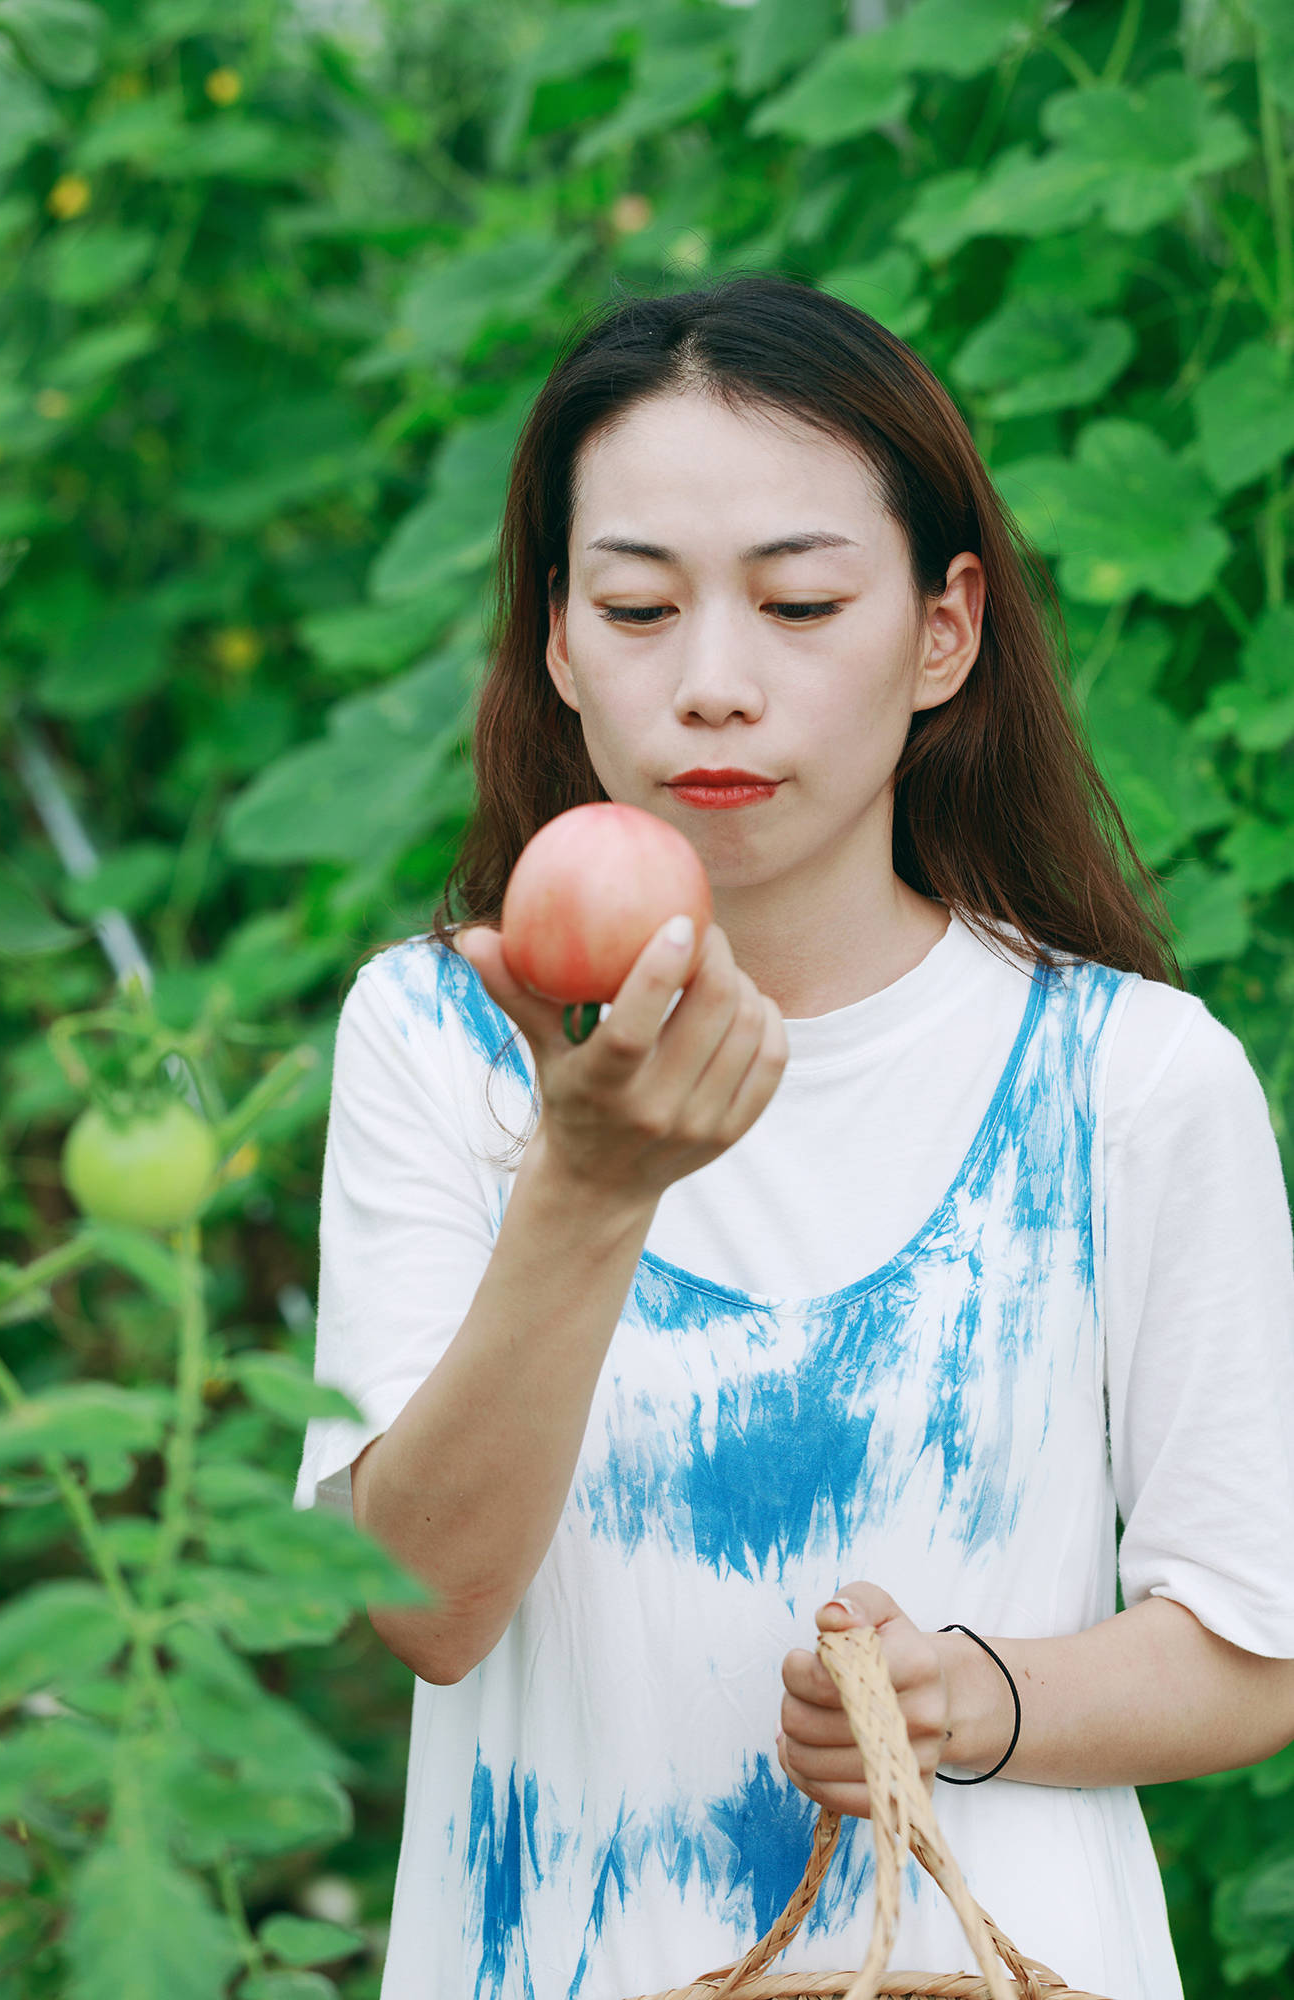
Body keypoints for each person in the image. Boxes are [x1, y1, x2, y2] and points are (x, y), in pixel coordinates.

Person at [293, 273, 1294, 2000]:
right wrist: (588, 1190)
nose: (712, 686)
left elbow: (1257, 1653)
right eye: (633, 606)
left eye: (800, 602)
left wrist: (980, 1694)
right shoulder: (443, 1042)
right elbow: (424, 1610)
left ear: (941, 631)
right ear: (554, 637)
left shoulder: (1128, 1078)